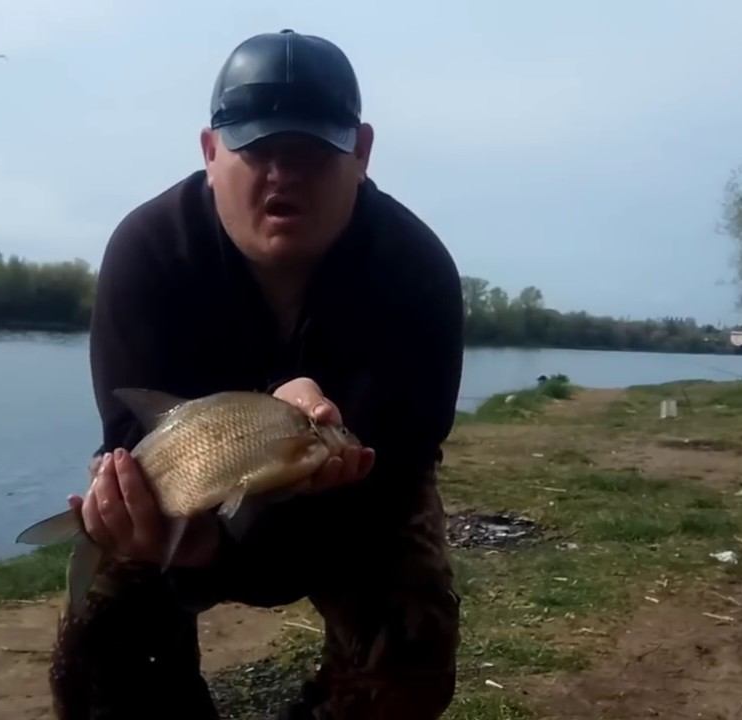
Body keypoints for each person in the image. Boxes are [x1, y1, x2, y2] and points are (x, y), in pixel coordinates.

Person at [48, 29, 465, 720]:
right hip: (183, 494)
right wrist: (192, 541)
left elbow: (396, 474)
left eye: (311, 150)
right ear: (210, 152)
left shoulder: (416, 273)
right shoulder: (148, 252)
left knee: (411, 651)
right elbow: (130, 440)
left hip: (357, 501)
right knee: (98, 657)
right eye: (256, 148)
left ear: (361, 153)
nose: (282, 173)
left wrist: (242, 545)